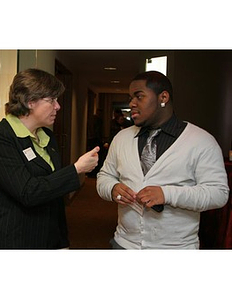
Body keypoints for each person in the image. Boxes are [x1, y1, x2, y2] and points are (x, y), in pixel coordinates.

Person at [96, 70, 229, 249]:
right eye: (130, 98)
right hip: (124, 244)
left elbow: (218, 193)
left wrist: (167, 194)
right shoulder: (122, 138)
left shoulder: (201, 141)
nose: (132, 103)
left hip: (176, 248)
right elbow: (104, 176)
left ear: (163, 97)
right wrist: (112, 189)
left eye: (139, 96)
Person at [0, 68, 99, 249]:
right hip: (8, 240)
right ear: (30, 101)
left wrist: (61, 241)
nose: (58, 106)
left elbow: (53, 195)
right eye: (51, 100)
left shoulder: (47, 137)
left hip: (45, 238)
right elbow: (28, 192)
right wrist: (76, 169)